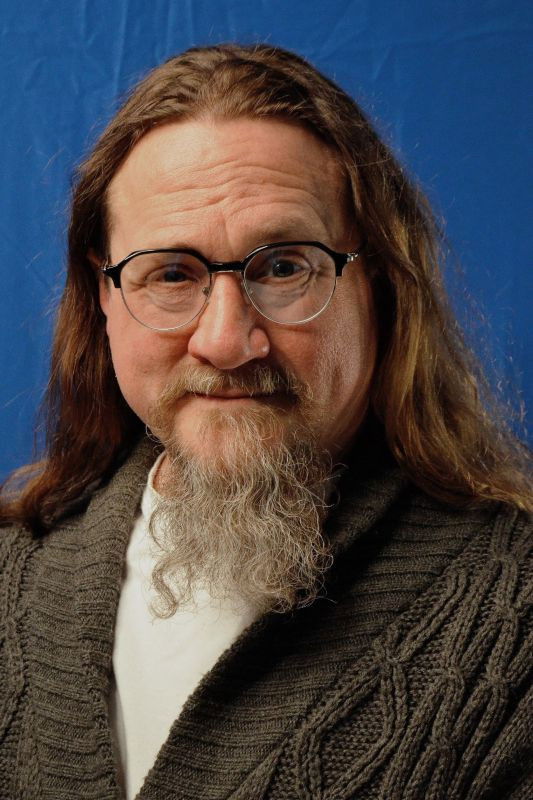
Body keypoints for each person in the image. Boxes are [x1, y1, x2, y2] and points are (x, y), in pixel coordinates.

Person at [0, 43, 531, 800]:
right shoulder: (10, 578)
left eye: (283, 267)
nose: (225, 341)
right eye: (171, 273)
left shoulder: (516, 616)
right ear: (105, 298)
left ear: (380, 284)